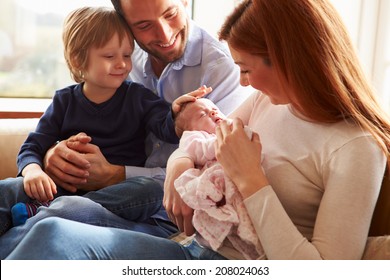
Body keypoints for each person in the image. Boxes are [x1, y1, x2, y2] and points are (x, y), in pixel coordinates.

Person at [4, 0, 390, 260]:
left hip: (227, 261)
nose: (244, 82)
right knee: (47, 231)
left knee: (53, 233)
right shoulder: (269, 102)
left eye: (248, 69)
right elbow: (201, 136)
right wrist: (179, 164)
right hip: (192, 243)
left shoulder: (357, 148)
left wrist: (252, 181)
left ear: (289, 60)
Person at [0, 0, 248, 240]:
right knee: (8, 189)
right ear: (78, 60)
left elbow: (165, 125)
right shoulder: (64, 100)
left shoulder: (138, 96)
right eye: (110, 57)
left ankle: (46, 212)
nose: (121, 64)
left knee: (149, 189)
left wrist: (179, 114)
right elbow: (34, 144)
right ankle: (45, 212)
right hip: (65, 186)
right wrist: (40, 165)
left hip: (123, 194)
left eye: (126, 56)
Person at [174, 98, 264, 260]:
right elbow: (202, 151)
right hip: (218, 184)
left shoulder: (233, 125)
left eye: (214, 108)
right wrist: (230, 140)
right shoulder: (195, 138)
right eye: (203, 115)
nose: (213, 113)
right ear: (190, 129)